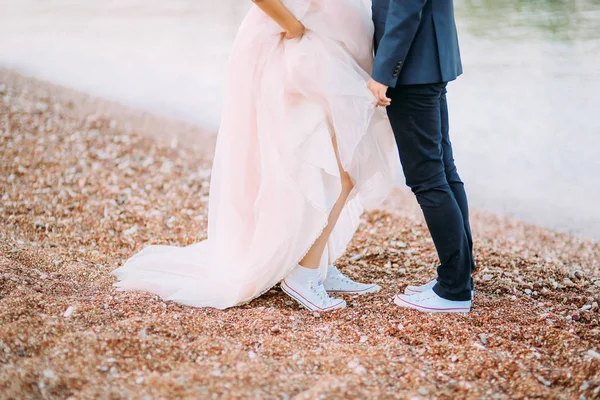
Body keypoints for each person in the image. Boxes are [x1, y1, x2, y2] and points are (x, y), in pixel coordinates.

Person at [112, 0, 402, 312]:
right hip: (303, 48)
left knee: (335, 160)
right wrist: (294, 28)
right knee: (331, 160)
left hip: (334, 45)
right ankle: (304, 276)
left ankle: (315, 264)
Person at [368, 0, 475, 313]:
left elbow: (405, 7)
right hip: (430, 59)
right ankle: (459, 275)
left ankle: (454, 290)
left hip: (413, 66)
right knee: (443, 168)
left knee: (427, 178)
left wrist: (384, 71)